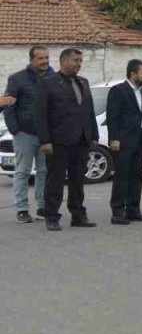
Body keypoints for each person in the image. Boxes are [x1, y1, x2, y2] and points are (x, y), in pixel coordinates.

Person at [34, 48, 99, 231]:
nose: (79, 64)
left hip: (81, 140)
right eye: (75, 60)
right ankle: (52, 216)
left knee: (78, 181)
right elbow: (40, 114)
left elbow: (89, 111)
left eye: (80, 60)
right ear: (63, 61)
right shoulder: (47, 83)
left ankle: (78, 215)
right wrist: (45, 140)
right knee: (55, 181)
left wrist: (93, 135)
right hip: (59, 141)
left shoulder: (83, 82)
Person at [4, 46, 55, 223]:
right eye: (41, 58)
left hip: (47, 135)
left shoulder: (54, 78)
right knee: (22, 172)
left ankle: (42, 207)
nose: (45, 61)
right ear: (32, 59)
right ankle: (22, 209)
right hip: (24, 133)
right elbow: (8, 106)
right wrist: (15, 129)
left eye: (47, 58)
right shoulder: (17, 79)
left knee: (44, 171)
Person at [106, 59, 142, 225]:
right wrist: (114, 138)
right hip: (123, 140)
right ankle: (118, 211)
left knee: (136, 176)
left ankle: (133, 209)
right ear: (133, 74)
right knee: (122, 176)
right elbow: (113, 116)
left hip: (139, 140)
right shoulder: (118, 90)